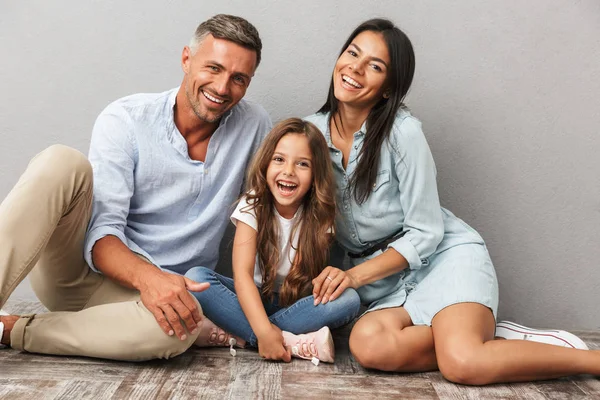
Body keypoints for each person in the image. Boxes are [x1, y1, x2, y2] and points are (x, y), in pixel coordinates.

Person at [304, 18, 599, 384]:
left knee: (463, 365)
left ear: (387, 89)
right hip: (384, 282)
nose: (356, 69)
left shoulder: (403, 132)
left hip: (443, 259)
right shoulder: (309, 134)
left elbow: (426, 232)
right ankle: (483, 340)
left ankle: (592, 361)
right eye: (352, 53)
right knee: (368, 347)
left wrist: (349, 277)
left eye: (375, 66)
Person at [0, 14, 271, 361]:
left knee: (178, 331)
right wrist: (150, 278)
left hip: (150, 300)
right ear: (187, 59)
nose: (222, 88)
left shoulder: (255, 126)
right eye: (213, 68)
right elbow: (103, 235)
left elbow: (263, 214)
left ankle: (11, 329)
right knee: (61, 160)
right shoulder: (126, 119)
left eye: (238, 79)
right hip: (80, 275)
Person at [184, 118, 361, 363]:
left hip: (295, 305)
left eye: (302, 164)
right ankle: (289, 341)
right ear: (266, 164)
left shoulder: (321, 213)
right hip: (252, 299)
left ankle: (239, 334)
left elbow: (306, 281)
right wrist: (264, 329)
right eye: (279, 159)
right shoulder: (253, 203)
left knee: (350, 299)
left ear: (315, 175)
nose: (288, 171)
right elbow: (243, 277)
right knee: (195, 279)